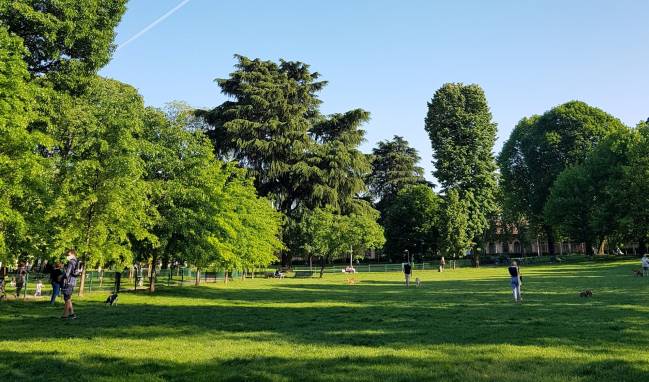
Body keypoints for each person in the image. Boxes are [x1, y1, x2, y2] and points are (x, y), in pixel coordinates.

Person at [61, 249, 81, 319]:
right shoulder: (77, 261)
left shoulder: (71, 262)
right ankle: (72, 314)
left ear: (73, 254)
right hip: (73, 281)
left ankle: (65, 315)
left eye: (68, 255)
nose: (67, 256)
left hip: (68, 281)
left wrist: (61, 276)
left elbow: (67, 274)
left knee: (67, 298)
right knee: (68, 298)